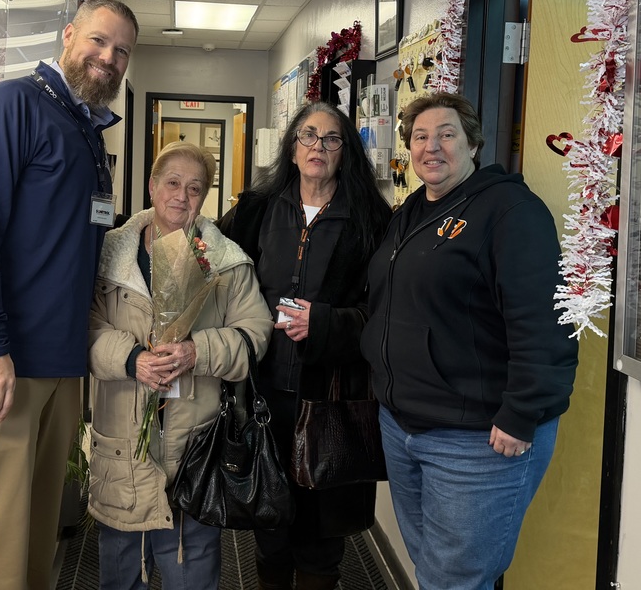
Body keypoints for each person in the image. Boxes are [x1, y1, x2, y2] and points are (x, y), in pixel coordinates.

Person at [0, 0, 139, 590]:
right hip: (2, 362)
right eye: (99, 41)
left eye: (121, 51)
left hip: (59, 362)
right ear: (69, 35)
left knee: (38, 536)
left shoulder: (87, 130)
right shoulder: (12, 105)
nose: (108, 58)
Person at [360, 92, 579, 590]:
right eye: (420, 136)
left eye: (446, 134)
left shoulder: (510, 211)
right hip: (404, 425)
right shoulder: (412, 210)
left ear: (473, 143)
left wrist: (522, 411)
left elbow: (544, 321)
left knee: (454, 579)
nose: (431, 146)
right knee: (433, 570)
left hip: (477, 439)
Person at [218, 101, 392, 590]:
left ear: (345, 153)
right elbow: (210, 265)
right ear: (292, 148)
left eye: (332, 138)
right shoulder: (256, 210)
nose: (319, 147)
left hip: (331, 397)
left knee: (321, 533)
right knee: (269, 518)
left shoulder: (371, 222)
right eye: (309, 136)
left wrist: (327, 325)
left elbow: (383, 314)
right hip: (261, 393)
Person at [87, 141, 273, 590]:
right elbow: (83, 329)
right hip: (123, 448)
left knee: (191, 572)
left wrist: (198, 352)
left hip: (195, 449)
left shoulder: (224, 261)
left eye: (195, 188)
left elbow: (256, 335)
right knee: (120, 573)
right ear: (152, 187)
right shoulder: (110, 254)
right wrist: (131, 359)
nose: (181, 196)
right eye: (172, 183)